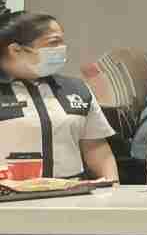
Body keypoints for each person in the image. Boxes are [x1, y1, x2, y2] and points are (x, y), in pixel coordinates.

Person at [0, 10, 118, 182]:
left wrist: (113, 185)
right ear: (16, 50)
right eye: (53, 42)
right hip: (9, 193)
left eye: (62, 41)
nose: (61, 48)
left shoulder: (76, 89)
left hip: (71, 192)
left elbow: (95, 147)